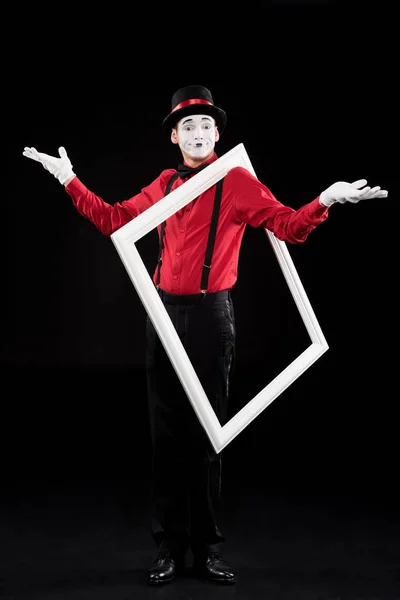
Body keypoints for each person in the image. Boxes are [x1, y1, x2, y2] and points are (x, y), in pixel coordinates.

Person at [22, 85, 388, 586]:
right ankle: (168, 550)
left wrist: (324, 199)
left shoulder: (235, 181)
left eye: (207, 125)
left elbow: (286, 226)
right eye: (188, 126)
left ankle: (209, 549)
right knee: (165, 435)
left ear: (218, 133)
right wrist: (69, 181)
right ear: (175, 136)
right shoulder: (166, 184)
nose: (199, 132)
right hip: (163, 313)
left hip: (213, 316)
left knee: (210, 435)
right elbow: (116, 221)